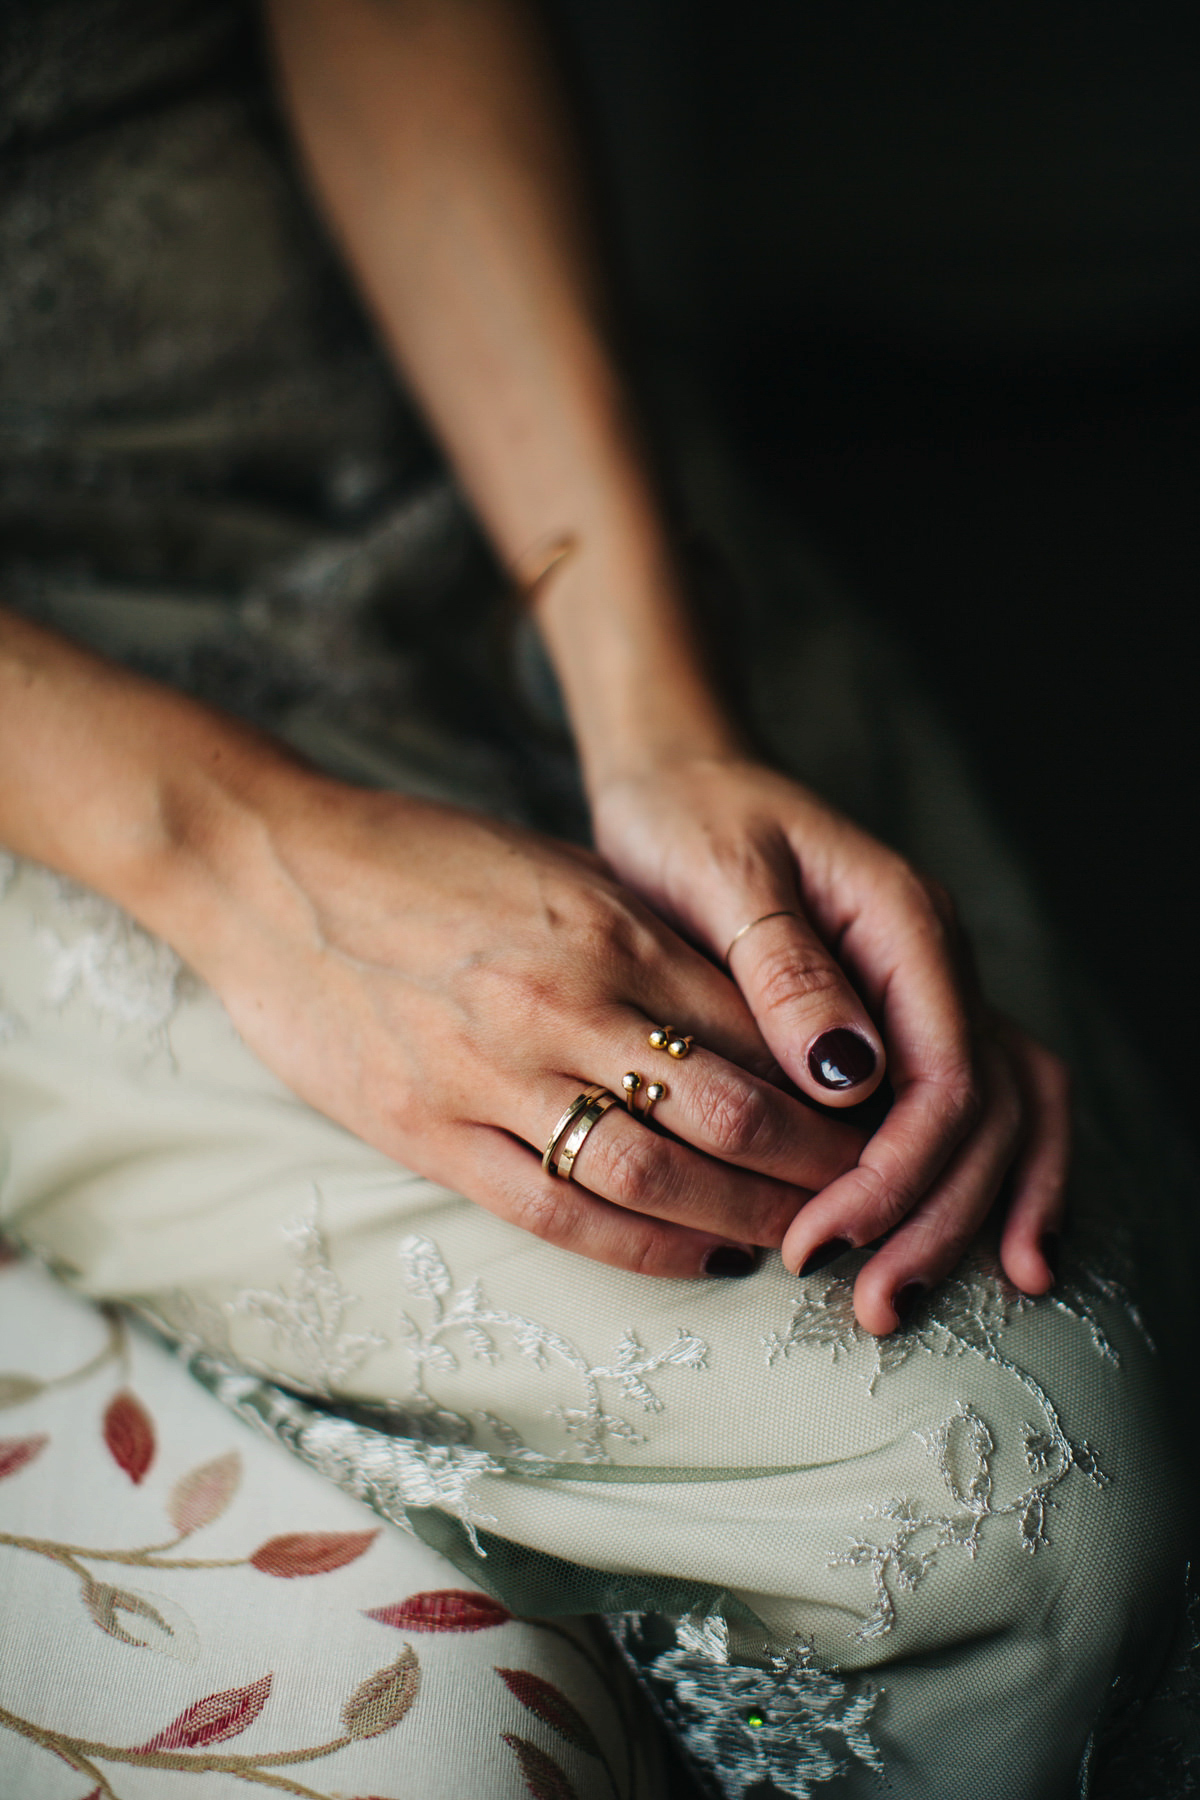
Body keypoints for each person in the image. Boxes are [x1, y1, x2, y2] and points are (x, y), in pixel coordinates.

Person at [0, 3, 1194, 1796]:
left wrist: (655, 706)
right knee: (1009, 1493)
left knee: (1052, 1278)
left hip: (471, 428)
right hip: (60, 761)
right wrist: (256, 860)